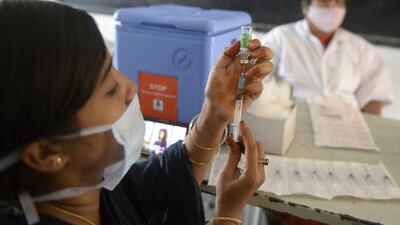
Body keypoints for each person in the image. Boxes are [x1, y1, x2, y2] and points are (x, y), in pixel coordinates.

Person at [0, 1, 273, 225]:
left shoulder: (90, 188)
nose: (130, 87)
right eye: (108, 90)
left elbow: (163, 182)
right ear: (46, 155)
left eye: (112, 67)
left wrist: (214, 114)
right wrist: (228, 215)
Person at [261, 0, 394, 115]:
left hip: (346, 127)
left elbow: (373, 97)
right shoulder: (280, 37)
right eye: (324, 0)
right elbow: (259, 81)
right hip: (292, 119)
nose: (332, 6)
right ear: (306, 7)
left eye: (338, 1)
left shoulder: (361, 48)